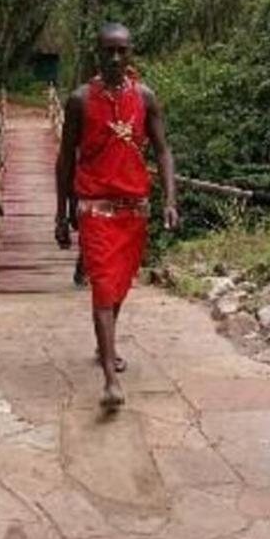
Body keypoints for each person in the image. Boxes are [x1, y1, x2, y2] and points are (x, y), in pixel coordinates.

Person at [55, 22, 178, 410]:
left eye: (121, 50)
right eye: (108, 50)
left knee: (119, 286)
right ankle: (110, 378)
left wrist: (170, 199)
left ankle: (104, 346)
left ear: (131, 53)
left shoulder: (145, 97)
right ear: (97, 53)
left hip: (134, 210)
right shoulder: (79, 100)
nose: (115, 58)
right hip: (94, 208)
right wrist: (62, 212)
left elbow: (162, 151)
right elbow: (64, 158)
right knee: (104, 287)